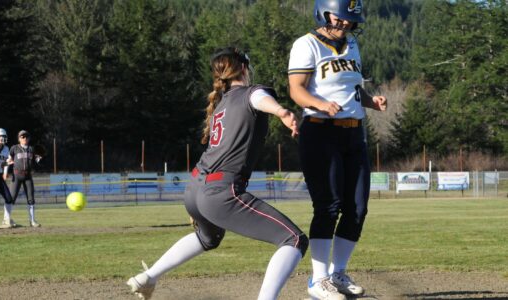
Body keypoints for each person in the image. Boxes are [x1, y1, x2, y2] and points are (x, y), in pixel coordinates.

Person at [126, 47, 309, 300]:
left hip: (195, 188)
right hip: (220, 191)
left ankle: (148, 277)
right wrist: (280, 111)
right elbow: (258, 99)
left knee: (207, 238)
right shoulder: (251, 92)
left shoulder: (222, 103)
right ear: (243, 68)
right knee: (294, 239)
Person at [287, 1, 387, 299]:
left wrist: (371, 102)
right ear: (325, 12)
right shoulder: (307, 44)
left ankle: (338, 273)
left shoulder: (352, 44)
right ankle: (318, 281)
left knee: (357, 208)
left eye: (350, 21)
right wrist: (319, 103)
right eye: (340, 18)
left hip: (354, 134)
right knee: (328, 206)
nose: (345, 24)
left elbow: (352, 87)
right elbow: (296, 89)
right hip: (321, 131)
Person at [3, 130, 42, 227]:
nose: (24, 138)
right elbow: (7, 161)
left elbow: (36, 161)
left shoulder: (31, 149)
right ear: (19, 138)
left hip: (28, 176)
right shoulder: (14, 148)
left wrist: (40, 158)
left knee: (31, 199)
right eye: (22, 137)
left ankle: (32, 221)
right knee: (11, 198)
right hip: (16, 175)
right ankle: (6, 220)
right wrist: (5, 172)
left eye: (26, 137)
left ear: (29, 138)